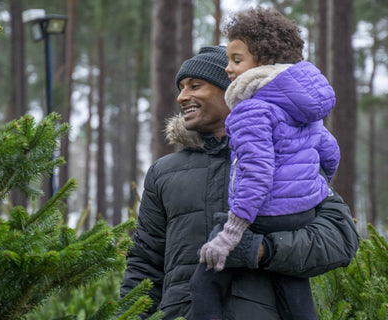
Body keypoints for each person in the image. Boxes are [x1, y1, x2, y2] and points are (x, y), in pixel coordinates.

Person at [119, 45, 359, 320]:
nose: (183, 97)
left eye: (195, 86)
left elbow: (341, 237)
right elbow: (144, 263)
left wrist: (264, 250)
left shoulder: (290, 158)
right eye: (181, 88)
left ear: (233, 89)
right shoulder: (164, 172)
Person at [193, 7, 340, 320]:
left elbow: (255, 173)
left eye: (236, 60)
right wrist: (313, 187)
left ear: (262, 60)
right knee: (293, 287)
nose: (228, 69)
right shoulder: (298, 104)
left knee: (206, 278)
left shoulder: (251, 110)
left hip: (264, 213)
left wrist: (233, 230)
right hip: (302, 212)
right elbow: (329, 152)